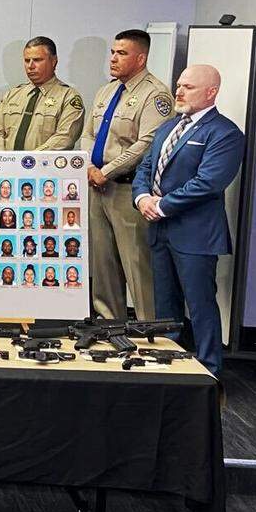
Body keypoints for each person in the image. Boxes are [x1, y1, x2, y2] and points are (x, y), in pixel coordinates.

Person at [134, 64, 244, 376]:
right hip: (160, 229)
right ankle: (168, 365)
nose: (179, 91)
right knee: (164, 304)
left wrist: (162, 205)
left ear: (211, 92)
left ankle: (209, 369)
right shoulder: (168, 127)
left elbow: (208, 183)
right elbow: (146, 169)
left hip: (195, 234)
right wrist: (142, 198)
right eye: (179, 85)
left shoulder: (225, 133)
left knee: (200, 304)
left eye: (188, 87)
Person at [81, 33, 175, 316]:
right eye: (112, 52)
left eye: (121, 53)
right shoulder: (106, 91)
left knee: (137, 265)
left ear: (141, 58)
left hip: (127, 189)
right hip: (97, 187)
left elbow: (146, 144)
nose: (113, 58)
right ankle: (110, 324)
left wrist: (107, 171)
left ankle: (150, 331)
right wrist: (88, 166)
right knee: (103, 263)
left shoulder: (155, 95)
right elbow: (88, 134)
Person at [0, 36, 85, 150]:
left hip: (43, 166)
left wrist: (29, 162)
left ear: (54, 61)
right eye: (27, 60)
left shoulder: (68, 97)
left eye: (37, 60)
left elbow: (64, 138)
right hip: (7, 166)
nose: (30, 66)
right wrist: (3, 159)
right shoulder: (12, 95)